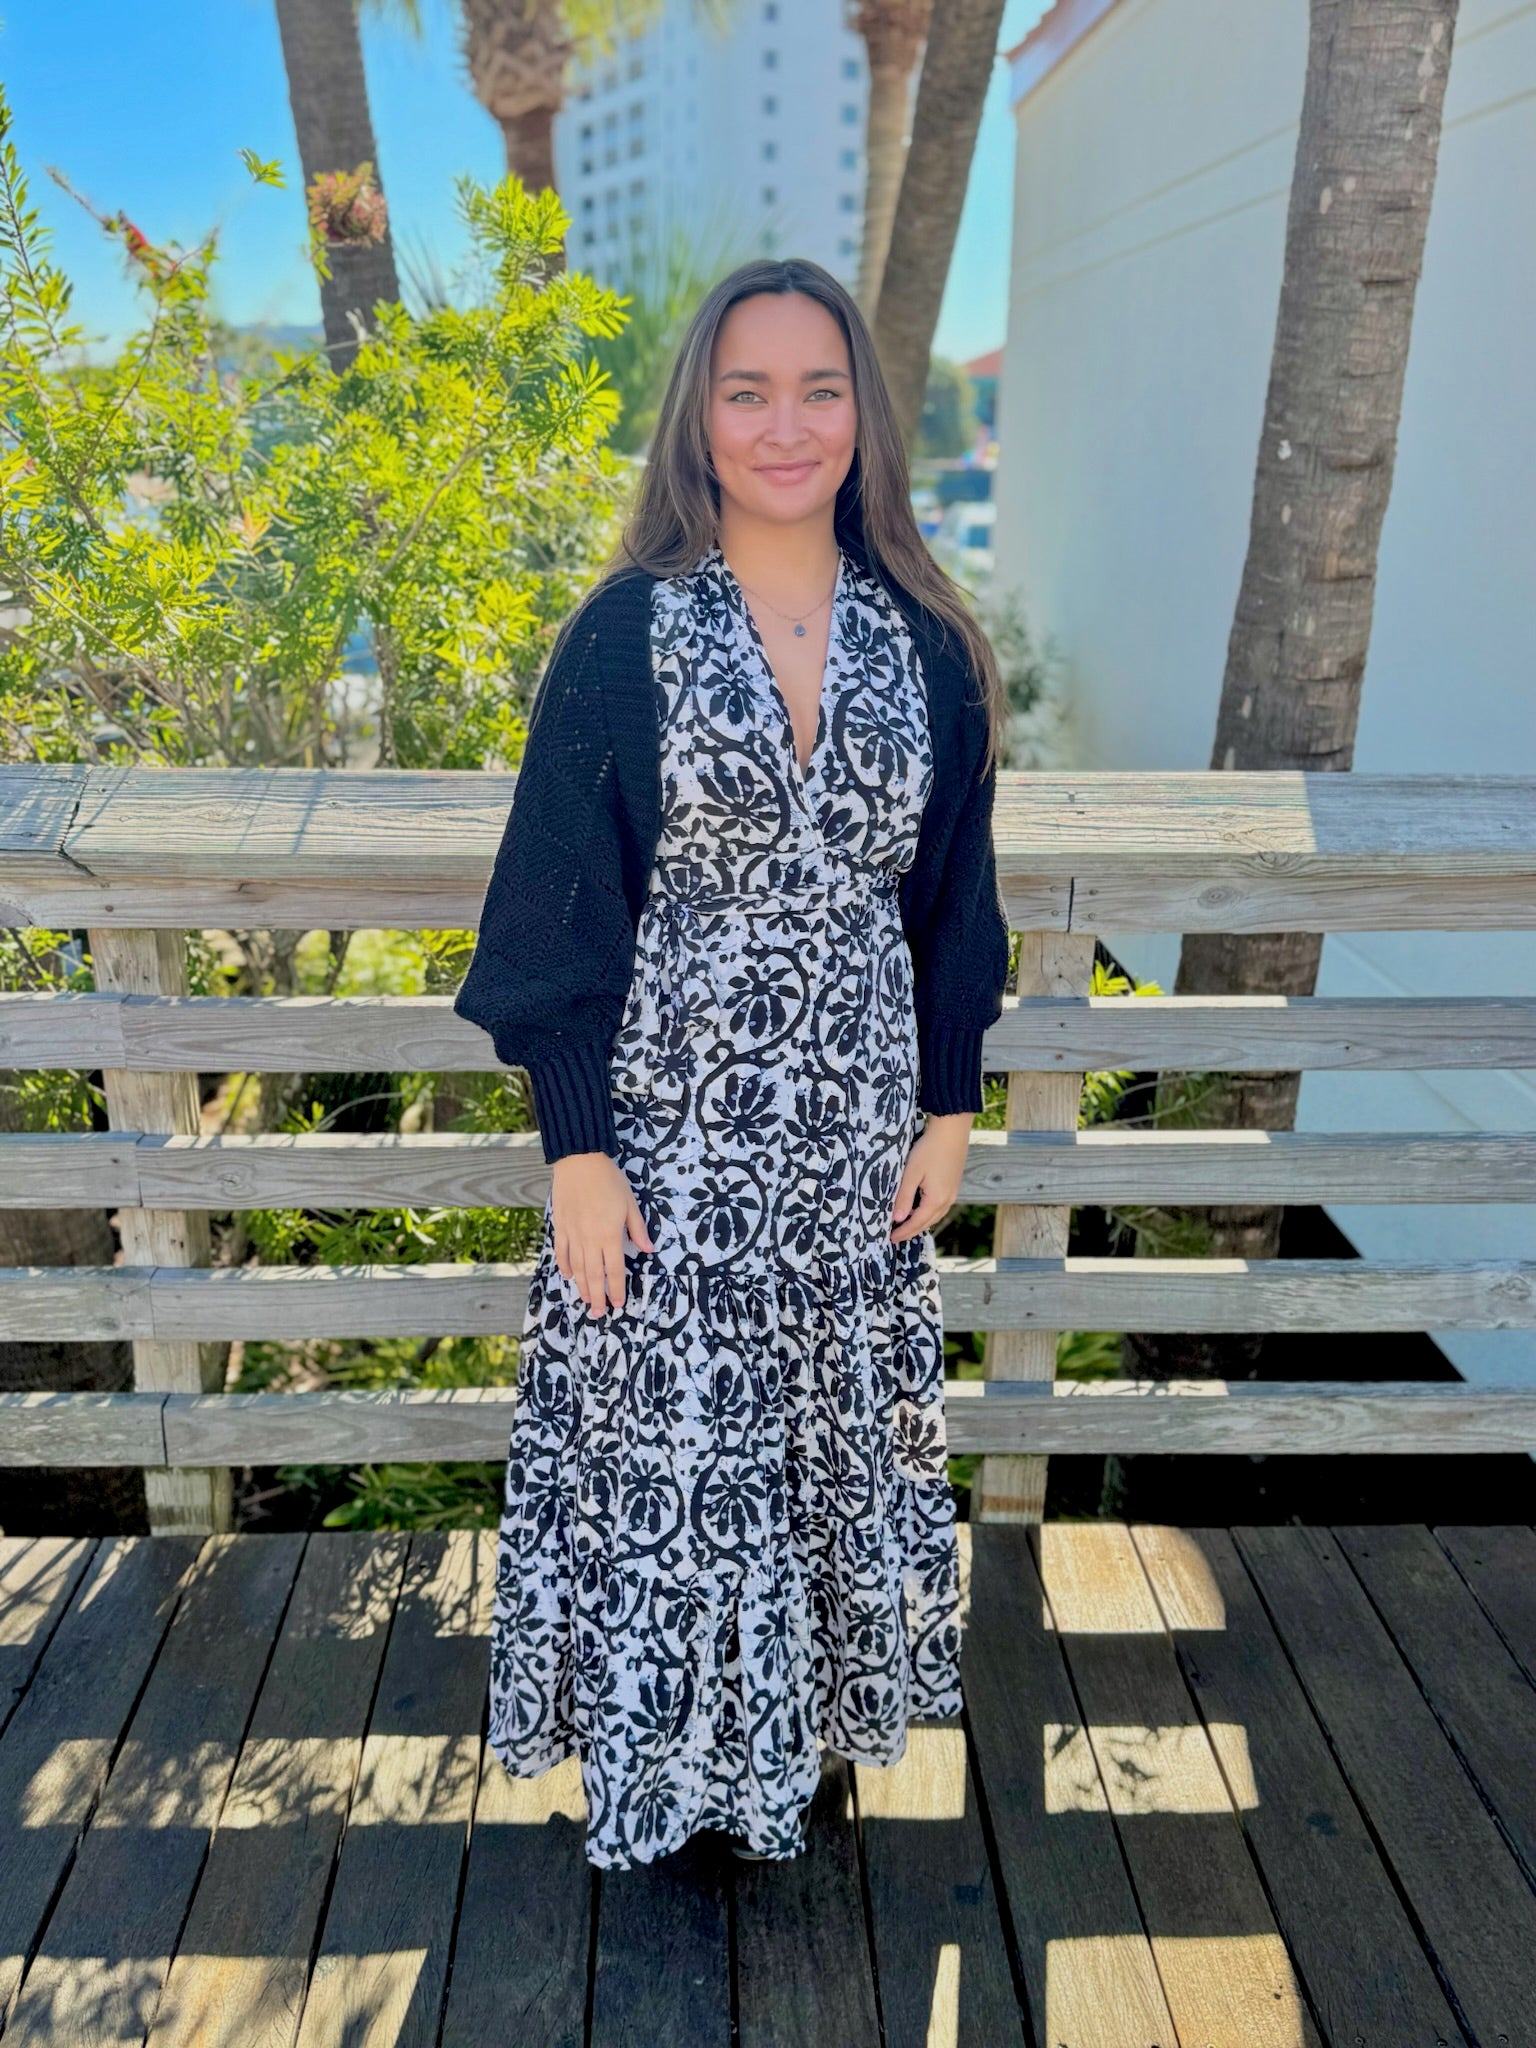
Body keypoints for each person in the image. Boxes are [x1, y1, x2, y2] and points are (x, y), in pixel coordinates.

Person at [454, 256, 1010, 1870]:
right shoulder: (629, 631)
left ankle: (803, 1755)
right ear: (700, 415)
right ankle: (662, 1770)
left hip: (853, 1140)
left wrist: (952, 1103)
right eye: (748, 390)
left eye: (819, 389)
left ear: (864, 414)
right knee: (674, 1454)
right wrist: (576, 1146)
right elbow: (553, 892)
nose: (787, 425)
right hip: (670, 1136)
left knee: (822, 1445)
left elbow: (955, 895)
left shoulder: (928, 640)